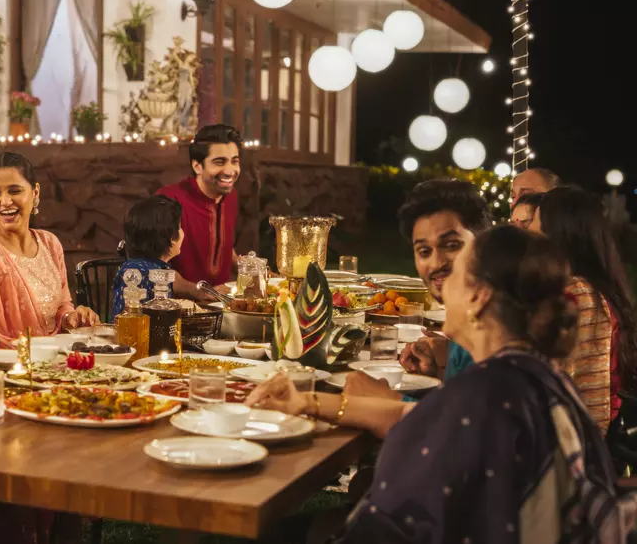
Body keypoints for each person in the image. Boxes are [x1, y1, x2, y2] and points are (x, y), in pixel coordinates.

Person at [248, 226, 636, 542]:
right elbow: (413, 416)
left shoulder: (481, 396)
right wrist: (307, 402)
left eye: (455, 274)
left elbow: (392, 525)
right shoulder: (535, 378)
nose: (442, 287)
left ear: (478, 297)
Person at [345, 179, 489, 399]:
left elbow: (460, 425)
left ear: (483, 242)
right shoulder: (464, 322)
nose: (435, 263)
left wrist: (376, 399)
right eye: (423, 251)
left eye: (452, 245)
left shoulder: (493, 325)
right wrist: (432, 380)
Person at [0, 152, 100, 347]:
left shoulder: (50, 244)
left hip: (57, 360)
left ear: (35, 192)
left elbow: (62, 306)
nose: (5, 202)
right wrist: (19, 350)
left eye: (14, 191)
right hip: (6, 363)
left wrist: (73, 317)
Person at [529, 186, 637, 431]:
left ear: (555, 232)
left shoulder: (574, 293)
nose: (527, 232)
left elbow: (548, 375)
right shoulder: (590, 287)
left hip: (569, 441)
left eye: (533, 222)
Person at [157, 124, 241, 299]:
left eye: (234, 161)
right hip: (179, 311)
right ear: (197, 166)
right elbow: (155, 268)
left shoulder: (231, 196)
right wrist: (201, 292)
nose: (229, 171)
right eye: (219, 162)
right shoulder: (170, 199)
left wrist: (256, 272)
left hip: (224, 306)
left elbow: (222, 246)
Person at [111, 195, 185, 316]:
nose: (183, 233)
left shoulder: (159, 269)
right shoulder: (137, 272)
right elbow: (128, 320)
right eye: (180, 227)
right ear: (172, 238)